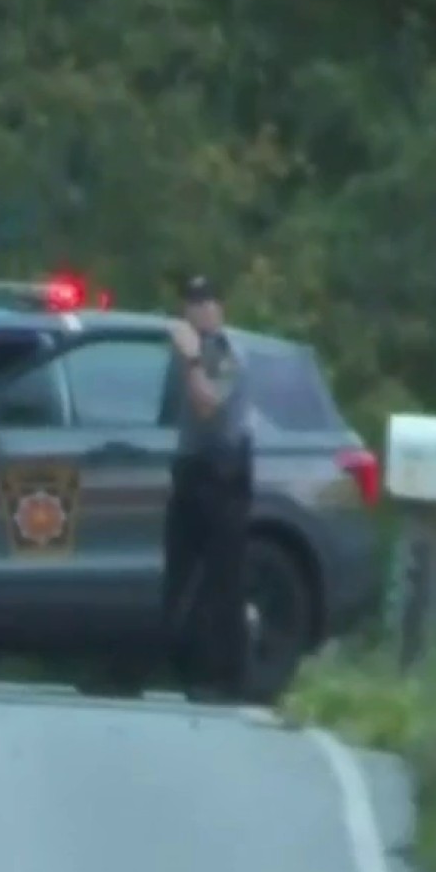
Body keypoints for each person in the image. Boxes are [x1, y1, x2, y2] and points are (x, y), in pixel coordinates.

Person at [163, 275, 255, 702]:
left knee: (224, 578)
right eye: (193, 302)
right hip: (190, 467)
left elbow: (206, 404)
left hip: (224, 470)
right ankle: (181, 670)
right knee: (181, 573)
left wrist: (192, 359)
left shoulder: (227, 352)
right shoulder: (184, 353)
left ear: (220, 308)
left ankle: (226, 678)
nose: (200, 310)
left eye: (207, 302)